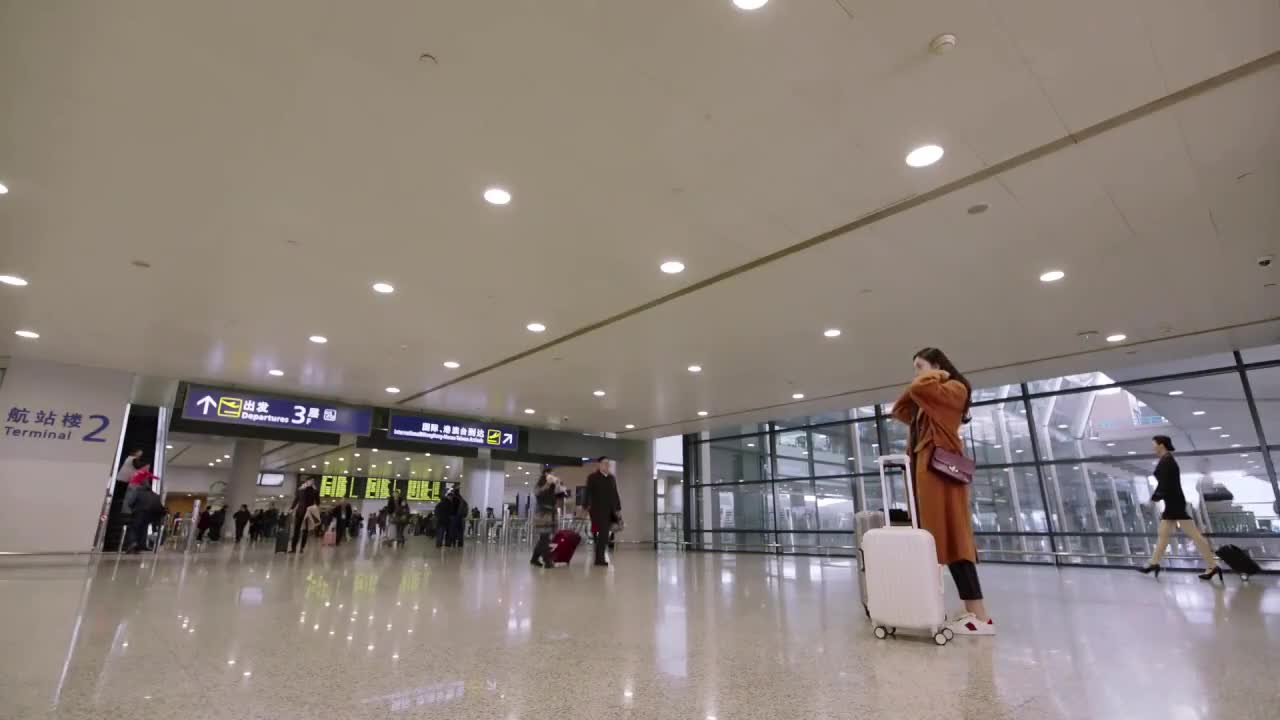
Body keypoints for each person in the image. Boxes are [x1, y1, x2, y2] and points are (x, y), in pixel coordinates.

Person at [890, 347, 994, 636]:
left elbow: (918, 387)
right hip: (927, 473)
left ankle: (979, 615)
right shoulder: (929, 398)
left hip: (942, 474)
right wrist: (926, 379)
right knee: (935, 540)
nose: (916, 373)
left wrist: (935, 375)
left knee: (954, 539)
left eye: (920, 366)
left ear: (937, 366)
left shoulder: (954, 389)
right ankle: (967, 611)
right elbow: (899, 409)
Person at [1139, 435, 1221, 580]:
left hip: (1175, 503)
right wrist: (1154, 499)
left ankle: (1213, 565)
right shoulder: (1166, 460)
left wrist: (1152, 500)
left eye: (1154, 444)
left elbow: (1164, 484)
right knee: (1163, 534)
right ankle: (1153, 563)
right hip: (1172, 502)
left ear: (1161, 445)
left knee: (1194, 535)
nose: (1153, 447)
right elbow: (1164, 484)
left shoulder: (1168, 461)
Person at [583, 456, 621, 567]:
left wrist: (618, 508)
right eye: (604, 463)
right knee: (601, 534)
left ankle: (599, 558)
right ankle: (599, 558)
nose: (607, 465)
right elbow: (588, 492)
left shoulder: (611, 478)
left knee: (603, 535)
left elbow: (615, 493)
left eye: (608, 463)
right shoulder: (592, 477)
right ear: (599, 465)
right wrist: (585, 506)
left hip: (609, 511)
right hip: (596, 511)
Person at [531, 470, 567, 568]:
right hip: (542, 514)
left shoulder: (554, 486)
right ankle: (547, 560)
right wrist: (547, 483)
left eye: (554, 474)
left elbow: (562, 496)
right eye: (551, 474)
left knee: (544, 538)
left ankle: (534, 559)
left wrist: (559, 484)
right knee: (545, 538)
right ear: (545, 475)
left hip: (552, 514)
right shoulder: (540, 485)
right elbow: (537, 493)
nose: (553, 476)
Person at [124, 484, 165, 554]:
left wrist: (133, 509)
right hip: (151, 515)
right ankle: (140, 545)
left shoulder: (138, 493)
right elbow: (160, 506)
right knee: (143, 528)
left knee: (134, 528)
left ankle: (133, 543)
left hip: (139, 513)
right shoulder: (156, 495)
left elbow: (130, 502)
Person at [289, 478, 319, 553]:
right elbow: (296, 500)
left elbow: (318, 502)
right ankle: (293, 548)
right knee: (296, 530)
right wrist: (292, 508)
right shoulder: (300, 490)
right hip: (299, 512)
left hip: (308, 513)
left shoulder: (314, 491)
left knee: (305, 531)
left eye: (313, 481)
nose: (312, 482)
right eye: (311, 481)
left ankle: (302, 548)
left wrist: (316, 492)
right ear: (307, 481)